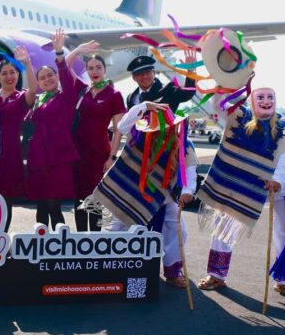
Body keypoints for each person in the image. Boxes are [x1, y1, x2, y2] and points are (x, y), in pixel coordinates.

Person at [195, 87, 285, 294]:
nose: (266, 101)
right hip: (244, 183)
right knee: (224, 225)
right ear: (252, 101)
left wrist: (277, 180)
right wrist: (222, 84)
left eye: (270, 97)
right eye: (260, 97)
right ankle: (216, 275)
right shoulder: (240, 115)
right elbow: (217, 105)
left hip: (281, 186)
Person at [89, 101, 198, 287]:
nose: (164, 129)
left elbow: (190, 170)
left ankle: (172, 270)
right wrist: (144, 106)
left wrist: (188, 191)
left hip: (164, 198)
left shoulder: (184, 144)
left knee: (179, 230)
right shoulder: (139, 134)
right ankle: (110, 266)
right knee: (118, 229)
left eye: (168, 125)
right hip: (131, 193)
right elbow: (122, 126)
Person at [66, 42, 126, 231]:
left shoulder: (114, 95)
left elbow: (118, 130)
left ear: (105, 70)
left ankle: (94, 241)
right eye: (90, 68)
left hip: (99, 153)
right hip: (78, 153)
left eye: (98, 67)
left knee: (95, 200)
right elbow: (64, 66)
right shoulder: (82, 89)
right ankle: (80, 239)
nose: (94, 71)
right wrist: (77, 50)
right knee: (78, 198)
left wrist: (112, 157)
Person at [25, 29, 81, 229]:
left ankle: (60, 243)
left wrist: (59, 53)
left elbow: (66, 77)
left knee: (53, 205)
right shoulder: (38, 101)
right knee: (41, 205)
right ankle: (41, 244)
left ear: (56, 78)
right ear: (39, 83)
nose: (47, 79)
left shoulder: (66, 97)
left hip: (58, 158)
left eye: (50, 75)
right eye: (42, 78)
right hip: (38, 158)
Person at [0, 47, 38, 231]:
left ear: (17, 75)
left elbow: (34, 89)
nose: (9, 76)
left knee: (5, 200)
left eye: (12, 72)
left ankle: (1, 236)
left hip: (10, 154)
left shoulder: (20, 97)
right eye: (4, 73)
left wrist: (27, 63)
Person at [125, 54, 196, 112]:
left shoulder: (169, 89)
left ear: (154, 73)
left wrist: (191, 72)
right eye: (139, 74)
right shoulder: (131, 98)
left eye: (147, 72)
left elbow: (187, 94)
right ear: (134, 78)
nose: (144, 76)